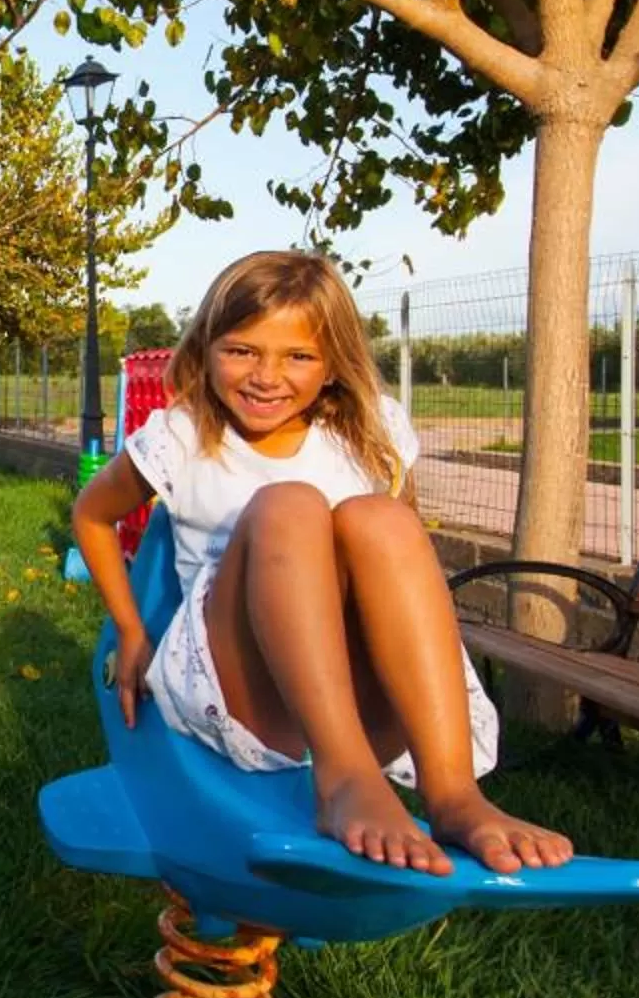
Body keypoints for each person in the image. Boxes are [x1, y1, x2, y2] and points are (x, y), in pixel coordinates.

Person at [66, 249, 572, 878]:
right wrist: (132, 628)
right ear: (206, 347)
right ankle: (345, 778)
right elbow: (91, 513)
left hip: (362, 694)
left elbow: (399, 564)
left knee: (381, 519)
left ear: (333, 366)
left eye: (298, 356)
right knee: (290, 506)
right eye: (242, 350)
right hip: (242, 692)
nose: (265, 376)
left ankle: (452, 794)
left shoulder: (373, 432)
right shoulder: (184, 435)